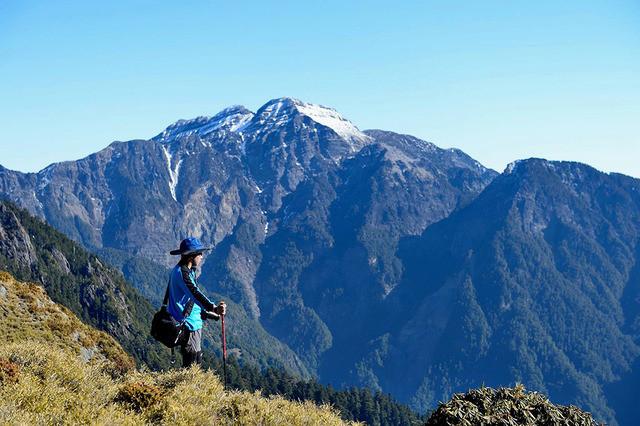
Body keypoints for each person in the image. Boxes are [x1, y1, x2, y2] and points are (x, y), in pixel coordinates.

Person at [167, 237, 226, 367]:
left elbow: (188, 301)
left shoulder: (186, 271)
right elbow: (195, 294)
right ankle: (189, 387)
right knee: (192, 364)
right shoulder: (183, 274)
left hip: (191, 322)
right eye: (199, 253)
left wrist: (209, 314)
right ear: (191, 256)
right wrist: (214, 308)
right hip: (189, 325)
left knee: (194, 361)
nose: (201, 256)